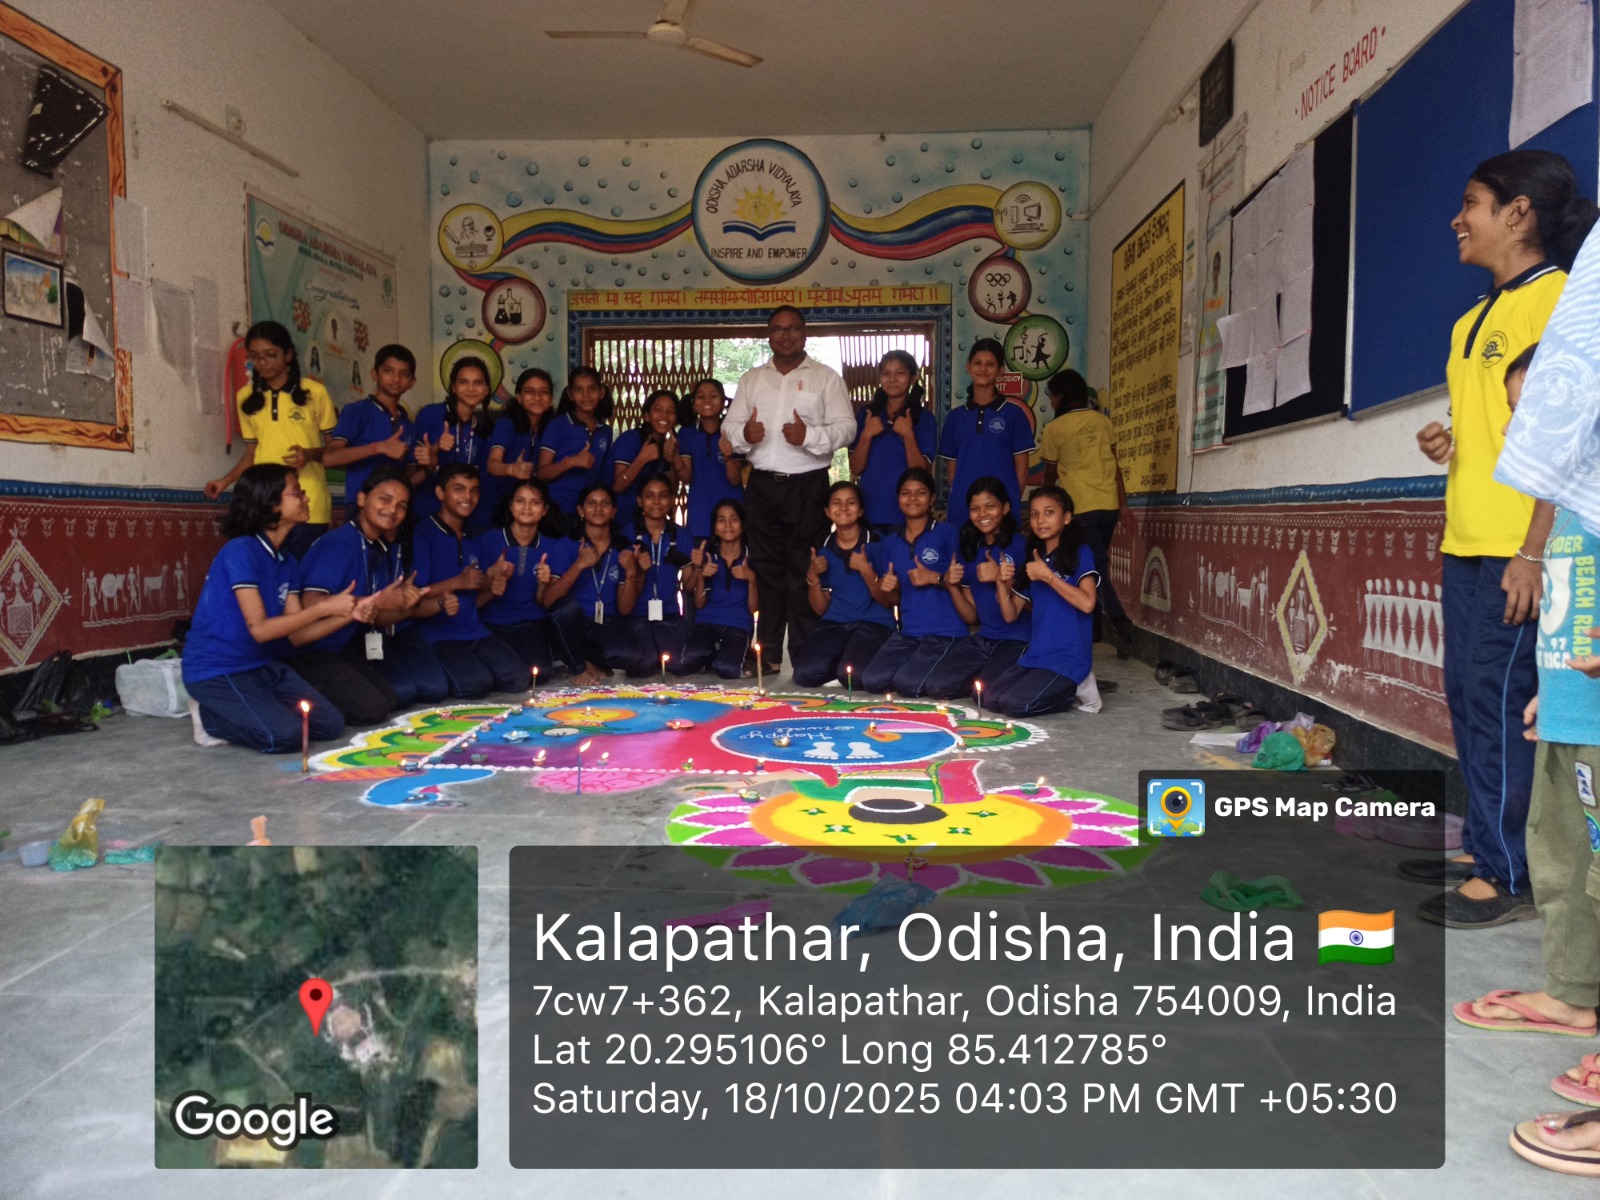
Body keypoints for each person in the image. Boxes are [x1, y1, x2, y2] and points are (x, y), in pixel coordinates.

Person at [1408, 149, 1598, 928]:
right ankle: (1489, 844)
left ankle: (1508, 871)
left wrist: (1532, 552)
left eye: (1472, 202)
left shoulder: (1560, 300)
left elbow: (1571, 441)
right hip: (1467, 539)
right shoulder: (1469, 321)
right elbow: (1504, 423)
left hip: (1520, 549)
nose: (1459, 218)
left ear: (1518, 213)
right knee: (1468, 696)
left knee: (1500, 703)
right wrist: (1449, 438)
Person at [1453, 345, 1600, 1046]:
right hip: (1569, 707)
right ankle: (1572, 995)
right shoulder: (1568, 509)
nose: (1516, 433)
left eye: (1530, 414)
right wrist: (1553, 690)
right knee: (1560, 854)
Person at [182, 464, 366, 751]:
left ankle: (254, 709)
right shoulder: (240, 551)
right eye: (297, 492)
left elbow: (296, 634)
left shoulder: (287, 560)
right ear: (271, 503)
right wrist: (324, 607)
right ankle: (208, 716)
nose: (306, 498)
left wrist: (348, 615)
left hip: (259, 666)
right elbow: (260, 630)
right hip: (217, 670)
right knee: (283, 736)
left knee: (329, 725)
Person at [722, 306, 855, 667]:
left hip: (808, 486)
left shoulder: (825, 378)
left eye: (793, 329)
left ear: (805, 334)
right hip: (762, 485)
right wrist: (744, 436)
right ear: (769, 335)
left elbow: (847, 428)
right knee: (766, 569)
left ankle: (804, 653)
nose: (785, 336)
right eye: (778, 330)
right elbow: (729, 429)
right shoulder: (752, 380)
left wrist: (809, 435)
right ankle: (766, 653)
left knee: (804, 568)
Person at [289, 464, 439, 724]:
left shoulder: (375, 547)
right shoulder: (340, 543)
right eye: (385, 499)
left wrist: (405, 606)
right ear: (361, 499)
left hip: (343, 645)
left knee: (390, 698)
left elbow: (374, 616)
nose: (392, 510)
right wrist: (380, 600)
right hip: (311, 650)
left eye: (401, 506)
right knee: (371, 709)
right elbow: (311, 603)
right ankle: (288, 689)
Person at [204, 322, 337, 558]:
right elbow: (251, 454)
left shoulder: (314, 393)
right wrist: (224, 482)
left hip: (308, 502)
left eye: (270, 355)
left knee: (303, 577)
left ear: (288, 355)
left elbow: (336, 450)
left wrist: (309, 455)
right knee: (267, 574)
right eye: (255, 357)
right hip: (265, 504)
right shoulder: (245, 397)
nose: (263, 363)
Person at [1038, 368, 1135, 654]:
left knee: (1095, 569)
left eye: (1052, 397)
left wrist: (1042, 506)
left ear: (1060, 396)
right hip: (1109, 506)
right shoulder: (1103, 422)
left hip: (1080, 508)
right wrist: (1125, 506)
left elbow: (1049, 475)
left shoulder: (1054, 429)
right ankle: (1093, 630)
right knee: (1092, 565)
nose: (1052, 403)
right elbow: (1115, 467)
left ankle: (1120, 621)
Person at [410, 463, 525, 697]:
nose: (468, 497)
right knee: (475, 684)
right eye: (459, 489)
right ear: (441, 493)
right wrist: (456, 582)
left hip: (474, 630)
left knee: (519, 679)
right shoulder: (422, 534)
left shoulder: (474, 539)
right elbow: (413, 594)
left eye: (474, 490)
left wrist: (492, 586)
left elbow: (472, 600)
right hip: (437, 633)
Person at [985, 485, 1098, 717]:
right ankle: (1058, 686)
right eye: (1035, 514)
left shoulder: (1080, 553)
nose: (1040, 520)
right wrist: (999, 580)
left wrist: (1047, 576)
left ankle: (1078, 685)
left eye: (1049, 512)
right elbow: (1010, 614)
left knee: (1016, 704)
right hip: (1037, 654)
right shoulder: (1034, 560)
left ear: (1066, 517)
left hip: (1068, 658)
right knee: (991, 698)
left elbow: (1088, 603)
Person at [859, 468, 969, 696]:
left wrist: (934, 578)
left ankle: (957, 670)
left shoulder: (946, 532)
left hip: (945, 631)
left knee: (909, 684)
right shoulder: (891, 543)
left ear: (931, 499)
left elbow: (958, 580)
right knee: (872, 680)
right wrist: (889, 588)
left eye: (920, 493)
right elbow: (893, 601)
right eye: (906, 493)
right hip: (909, 633)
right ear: (898, 498)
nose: (912, 498)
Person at [918, 476, 1031, 699]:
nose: (983, 514)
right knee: (936, 686)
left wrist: (1001, 577)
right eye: (975, 508)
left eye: (991, 506)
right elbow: (971, 616)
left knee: (986, 694)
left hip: (1018, 639)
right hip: (984, 638)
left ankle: (1023, 672)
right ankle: (991, 675)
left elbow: (1032, 603)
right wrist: (951, 586)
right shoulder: (970, 550)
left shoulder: (1021, 546)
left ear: (1006, 508)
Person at [537, 483, 653, 684]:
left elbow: (625, 609)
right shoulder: (567, 544)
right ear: (580, 510)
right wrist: (579, 565)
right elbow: (549, 601)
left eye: (605, 504)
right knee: (566, 608)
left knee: (635, 658)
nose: (598, 509)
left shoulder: (623, 547)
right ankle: (577, 667)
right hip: (572, 622)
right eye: (591, 504)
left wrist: (632, 572)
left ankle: (580, 656)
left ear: (614, 511)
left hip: (604, 623)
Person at [790, 481, 894, 689]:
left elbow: (888, 600)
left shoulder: (878, 543)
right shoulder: (824, 550)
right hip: (835, 622)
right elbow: (820, 608)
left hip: (873, 623)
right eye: (837, 503)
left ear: (861, 510)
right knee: (804, 675)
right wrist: (813, 577)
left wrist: (866, 570)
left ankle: (854, 660)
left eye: (851, 502)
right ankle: (846, 659)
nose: (844, 508)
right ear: (828, 512)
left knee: (853, 677)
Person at [478, 478, 580, 680]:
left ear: (544, 510)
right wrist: (490, 576)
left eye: (535, 502)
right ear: (510, 505)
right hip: (490, 623)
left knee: (539, 674)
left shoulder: (553, 546)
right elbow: (471, 592)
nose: (526, 507)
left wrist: (543, 585)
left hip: (529, 624)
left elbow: (543, 602)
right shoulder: (487, 540)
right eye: (520, 501)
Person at [323, 345, 423, 514]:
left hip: (396, 510)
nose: (396, 379)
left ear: (412, 382)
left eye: (404, 374)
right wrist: (378, 447)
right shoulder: (357, 411)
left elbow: (409, 479)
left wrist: (430, 466)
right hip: (361, 506)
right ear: (374, 374)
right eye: (388, 371)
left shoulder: (408, 424)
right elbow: (329, 458)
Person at [938, 337, 1033, 516]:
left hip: (1003, 509)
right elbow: (952, 474)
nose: (982, 369)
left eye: (990, 364)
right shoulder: (955, 417)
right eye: (977, 363)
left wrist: (1009, 503)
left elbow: (1022, 471)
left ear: (1000, 371)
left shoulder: (1014, 414)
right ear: (968, 367)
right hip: (963, 508)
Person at [850, 350, 936, 532]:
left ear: (913, 378)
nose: (892, 379)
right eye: (886, 373)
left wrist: (908, 434)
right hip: (869, 510)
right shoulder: (866, 415)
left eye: (900, 373)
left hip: (908, 513)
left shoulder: (924, 418)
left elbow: (921, 473)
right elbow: (855, 469)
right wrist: (866, 435)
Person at [673, 500, 758, 680]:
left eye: (734, 519)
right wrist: (701, 576)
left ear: (742, 526)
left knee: (728, 670)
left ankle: (737, 654)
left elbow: (753, 609)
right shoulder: (708, 557)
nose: (727, 525)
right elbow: (699, 603)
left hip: (739, 624)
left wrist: (751, 579)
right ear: (714, 528)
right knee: (687, 661)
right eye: (721, 520)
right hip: (707, 622)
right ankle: (718, 651)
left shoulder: (752, 558)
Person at [412, 357, 497, 527]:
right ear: (453, 387)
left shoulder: (484, 428)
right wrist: (435, 449)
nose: (471, 388)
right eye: (464, 382)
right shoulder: (431, 414)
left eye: (478, 383)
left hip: (465, 511)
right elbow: (410, 473)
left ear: (487, 389)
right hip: (428, 506)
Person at [627, 475, 694, 673]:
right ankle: (651, 649)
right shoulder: (628, 534)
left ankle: (656, 645)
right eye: (649, 496)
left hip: (669, 613)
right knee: (645, 664)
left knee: (680, 665)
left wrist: (697, 568)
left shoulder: (681, 534)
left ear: (672, 500)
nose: (656, 502)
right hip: (637, 615)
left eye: (663, 496)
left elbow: (689, 586)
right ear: (639, 500)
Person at [539, 366, 615, 521]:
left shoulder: (605, 431)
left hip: (591, 513)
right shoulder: (557, 425)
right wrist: (571, 462)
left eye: (591, 389)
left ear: (601, 392)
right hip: (557, 511)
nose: (586, 396)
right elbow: (541, 474)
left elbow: (606, 479)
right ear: (570, 394)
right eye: (579, 390)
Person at [484, 367, 556, 529]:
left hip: (524, 509)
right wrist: (511, 469)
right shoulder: (506, 424)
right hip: (492, 505)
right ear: (519, 398)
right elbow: (492, 464)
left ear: (551, 399)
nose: (537, 397)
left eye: (543, 392)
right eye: (530, 392)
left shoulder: (550, 428)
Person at [676, 378, 744, 542]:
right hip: (700, 515)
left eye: (713, 396)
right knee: (703, 564)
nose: (707, 401)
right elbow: (686, 478)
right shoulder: (686, 434)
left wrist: (728, 457)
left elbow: (735, 480)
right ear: (693, 403)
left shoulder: (733, 432)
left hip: (732, 516)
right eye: (701, 396)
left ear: (723, 403)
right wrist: (674, 457)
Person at [609, 389, 683, 531]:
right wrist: (642, 458)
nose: (664, 416)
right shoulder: (630, 439)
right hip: (621, 522)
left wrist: (673, 460)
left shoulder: (669, 444)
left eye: (671, 411)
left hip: (651, 524)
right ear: (647, 415)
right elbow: (618, 486)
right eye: (658, 410)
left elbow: (671, 491)